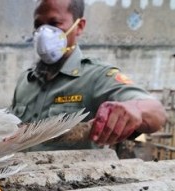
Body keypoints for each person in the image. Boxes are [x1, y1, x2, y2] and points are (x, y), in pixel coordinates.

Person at [10, 0, 167, 150]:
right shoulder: (25, 81)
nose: (43, 33)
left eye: (54, 24)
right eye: (38, 25)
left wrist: (135, 109)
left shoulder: (97, 77)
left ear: (79, 26)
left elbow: (156, 112)